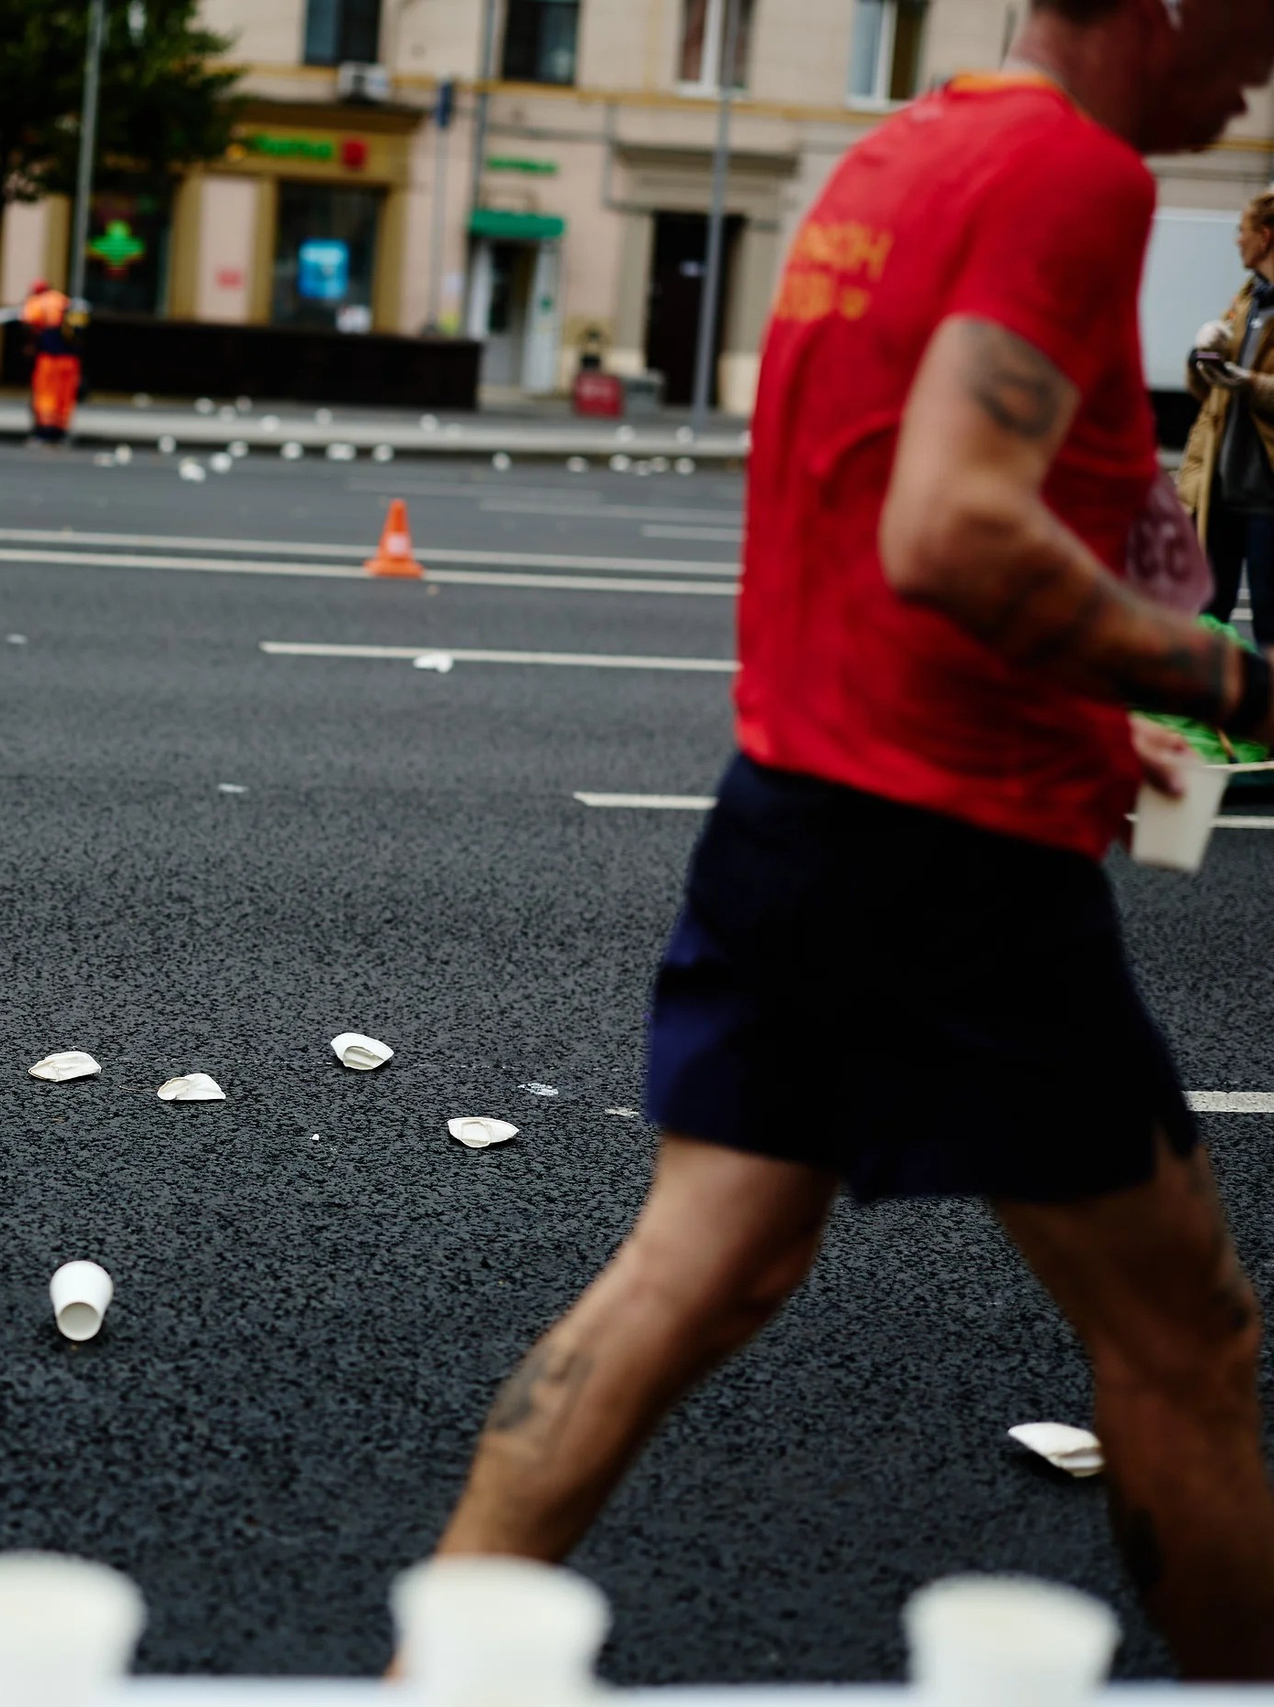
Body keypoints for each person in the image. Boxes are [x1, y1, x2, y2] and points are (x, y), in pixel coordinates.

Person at [429, 0, 1274, 1678]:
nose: (1261, 67)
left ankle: (435, 1666)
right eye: (1250, 17)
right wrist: (1229, 675)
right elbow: (949, 525)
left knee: (693, 1280)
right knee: (1186, 1340)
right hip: (953, 853)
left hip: (793, 813)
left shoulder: (899, 152)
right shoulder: (1070, 177)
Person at [1175, 189, 1274, 645]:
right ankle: (1210, 716)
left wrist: (1249, 384)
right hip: (1221, 492)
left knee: (1270, 628)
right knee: (1205, 618)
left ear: (1266, 237)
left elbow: (1246, 386)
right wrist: (1203, 359)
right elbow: (1208, 395)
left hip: (1266, 501)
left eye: (1243, 231)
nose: (1237, 241)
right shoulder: (1248, 299)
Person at [21, 278, 78, 444]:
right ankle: (60, 432)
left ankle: (43, 431)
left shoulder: (37, 302)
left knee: (45, 396)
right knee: (64, 397)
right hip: (69, 359)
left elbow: (28, 325)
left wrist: (29, 347)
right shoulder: (62, 300)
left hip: (48, 358)